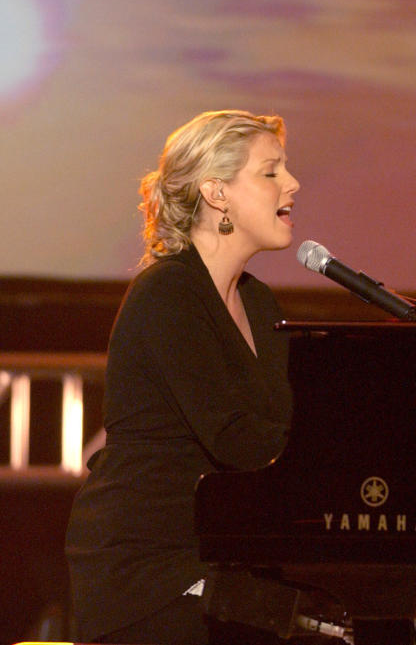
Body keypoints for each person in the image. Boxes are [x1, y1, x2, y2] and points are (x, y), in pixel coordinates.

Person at [65, 110, 300, 644]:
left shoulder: (260, 303)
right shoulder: (168, 293)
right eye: (271, 171)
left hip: (220, 560)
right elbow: (237, 437)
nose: (292, 183)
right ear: (217, 193)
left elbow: (285, 427)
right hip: (149, 571)